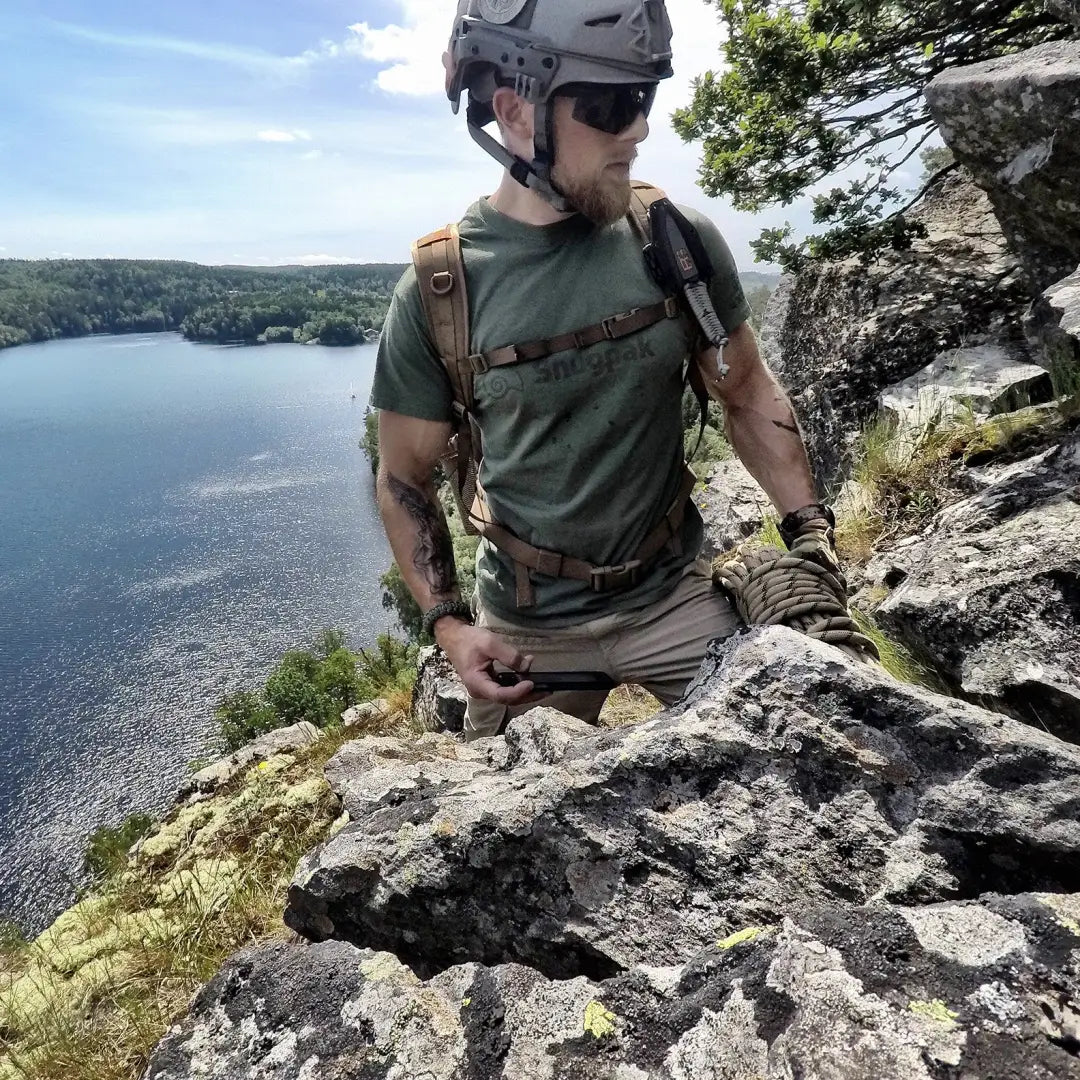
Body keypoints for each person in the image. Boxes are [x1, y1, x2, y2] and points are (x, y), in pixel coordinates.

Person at [371, 0, 833, 741]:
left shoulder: (673, 241)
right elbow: (401, 477)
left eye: (644, 98)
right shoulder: (441, 290)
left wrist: (810, 534)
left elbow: (744, 388)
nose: (639, 129)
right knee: (502, 835)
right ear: (517, 110)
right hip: (529, 631)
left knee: (818, 741)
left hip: (675, 597)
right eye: (612, 104)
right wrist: (451, 629)